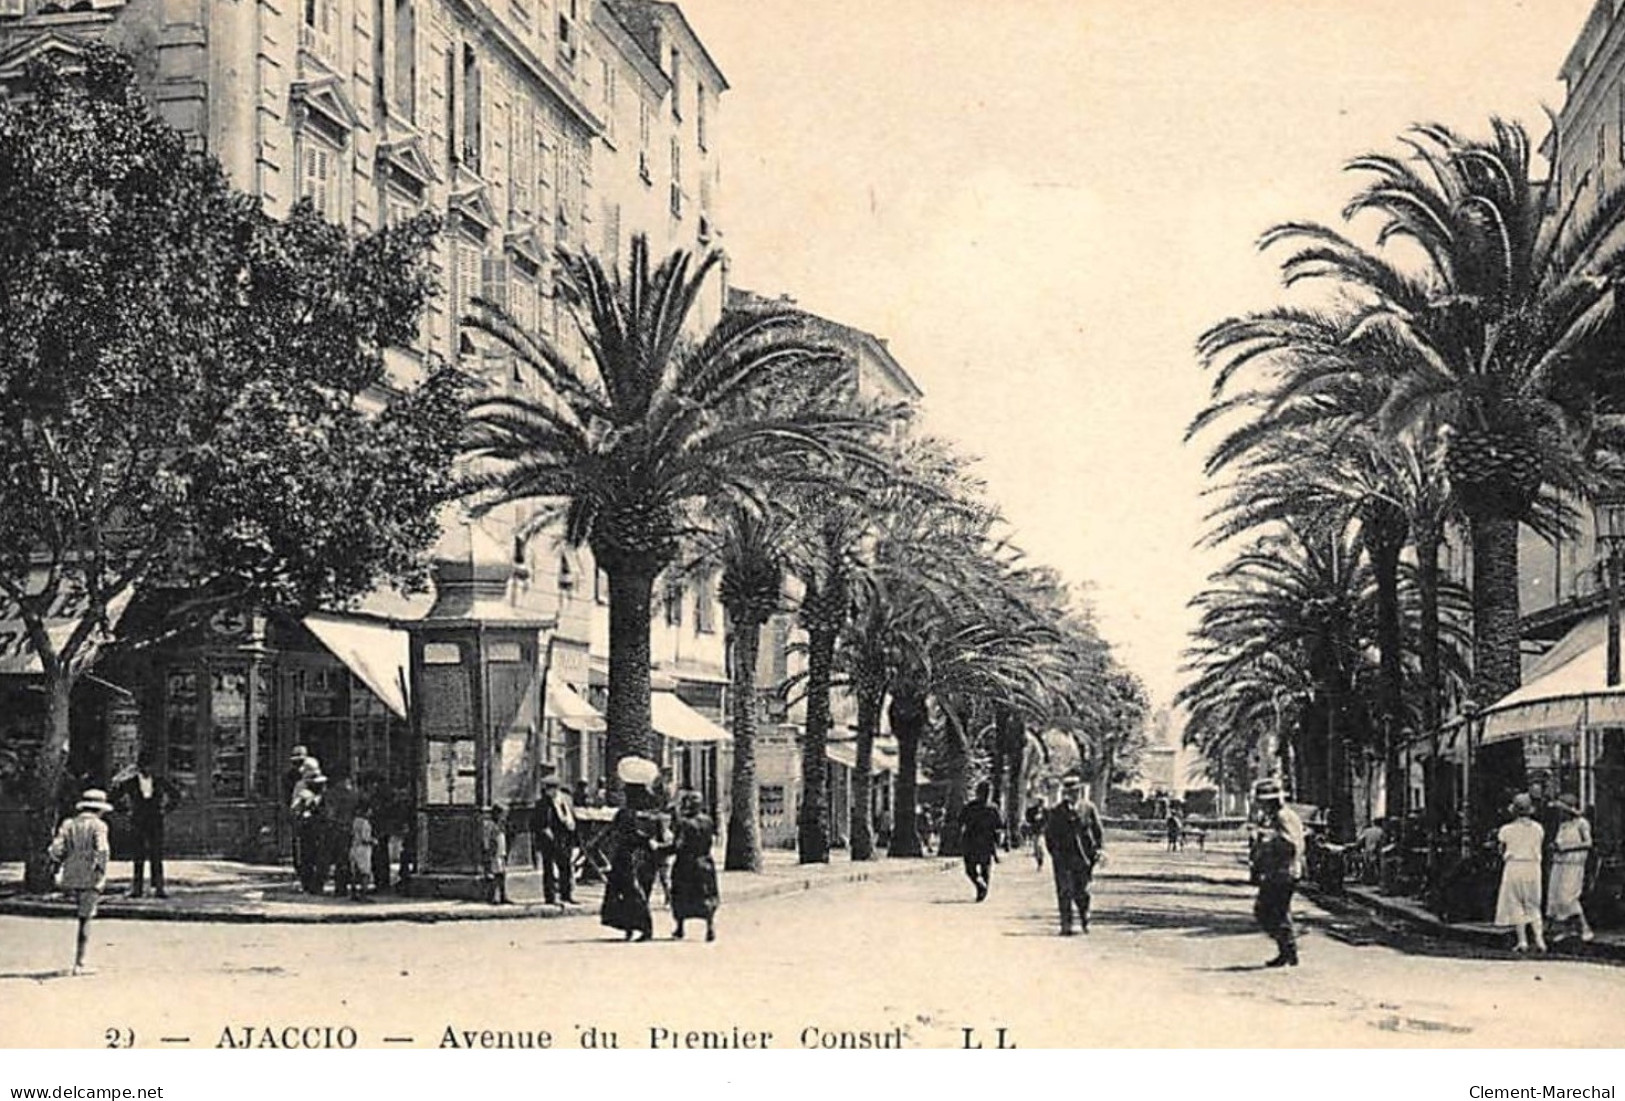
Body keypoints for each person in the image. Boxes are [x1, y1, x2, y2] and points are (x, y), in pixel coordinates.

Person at [600, 756, 665, 942]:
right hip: (640, 857)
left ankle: (644, 928)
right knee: (633, 891)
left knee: (633, 892)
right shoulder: (651, 814)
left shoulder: (629, 814)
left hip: (629, 857)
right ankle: (630, 926)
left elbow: (621, 832)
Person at [48, 788, 112, 976]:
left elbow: (55, 848)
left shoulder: (69, 824)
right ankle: (80, 962)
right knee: (86, 917)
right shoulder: (99, 825)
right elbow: (102, 850)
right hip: (89, 874)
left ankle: (78, 960)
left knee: (78, 913)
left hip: (71, 871)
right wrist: (101, 869)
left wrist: (59, 862)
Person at [1249, 778, 1305, 968]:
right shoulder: (1279, 817)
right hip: (1279, 871)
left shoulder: (1283, 817)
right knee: (1278, 911)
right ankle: (1287, 951)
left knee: (1266, 911)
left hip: (1282, 872)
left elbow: (1289, 844)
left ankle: (1289, 949)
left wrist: (1266, 842)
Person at [111, 752, 180, 899]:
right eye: (144, 767)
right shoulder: (130, 782)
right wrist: (125, 810)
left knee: (156, 854)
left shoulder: (159, 781)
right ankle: (137, 888)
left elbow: (175, 795)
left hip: (155, 820)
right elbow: (114, 797)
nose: (148, 770)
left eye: (150, 767)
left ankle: (159, 887)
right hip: (138, 820)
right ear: (139, 767)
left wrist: (166, 809)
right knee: (138, 854)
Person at [1043, 774, 1105, 935]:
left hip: (1084, 857)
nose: (1074, 795)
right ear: (1065, 793)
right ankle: (1066, 924)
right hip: (1063, 858)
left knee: (1081, 891)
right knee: (1064, 891)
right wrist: (1055, 853)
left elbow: (1098, 831)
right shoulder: (1056, 812)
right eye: (1070, 792)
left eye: (1076, 791)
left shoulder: (1088, 808)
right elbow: (1049, 835)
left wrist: (1099, 849)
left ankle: (1085, 916)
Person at [1496, 792, 1547, 952]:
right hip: (1532, 866)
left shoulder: (1506, 830)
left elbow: (1501, 848)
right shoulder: (1538, 828)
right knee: (1533, 903)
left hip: (1514, 866)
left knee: (1516, 903)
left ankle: (1522, 940)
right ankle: (1539, 939)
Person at [668, 789, 720, 941]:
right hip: (705, 862)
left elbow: (678, 845)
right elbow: (710, 840)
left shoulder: (684, 823)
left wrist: (660, 849)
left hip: (686, 864)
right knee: (706, 895)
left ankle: (680, 928)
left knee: (681, 894)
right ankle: (709, 927)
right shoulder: (707, 820)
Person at [1546, 796, 1595, 943]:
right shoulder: (1563, 826)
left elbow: (1588, 843)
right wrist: (1555, 847)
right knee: (1557, 898)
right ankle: (1568, 929)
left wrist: (1566, 848)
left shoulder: (1582, 823)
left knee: (1568, 897)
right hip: (1560, 864)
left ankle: (1585, 928)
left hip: (1574, 865)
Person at [531, 766, 579, 905]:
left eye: (551, 789)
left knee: (565, 866)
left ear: (556, 788)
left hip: (565, 837)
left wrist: (572, 828)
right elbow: (538, 822)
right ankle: (550, 897)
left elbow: (571, 815)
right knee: (549, 869)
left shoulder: (566, 799)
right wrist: (546, 832)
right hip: (550, 839)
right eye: (547, 789)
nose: (548, 792)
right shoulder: (542, 803)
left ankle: (566, 894)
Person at [957, 781, 1003, 901]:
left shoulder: (991, 808)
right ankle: (981, 886)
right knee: (973, 869)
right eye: (985, 792)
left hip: (978, 841)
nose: (986, 795)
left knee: (981, 869)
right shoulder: (973, 807)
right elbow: (960, 822)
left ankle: (981, 890)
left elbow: (999, 827)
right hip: (977, 841)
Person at [289, 759, 327, 894]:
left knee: (313, 857)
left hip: (316, 827)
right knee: (308, 857)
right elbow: (295, 808)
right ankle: (310, 884)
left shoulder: (320, 791)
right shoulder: (303, 789)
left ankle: (313, 884)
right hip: (308, 828)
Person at [481, 805, 510, 904]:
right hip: (495, 853)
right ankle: (493, 896)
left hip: (501, 852)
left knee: (502, 874)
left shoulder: (500, 825)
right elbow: (487, 839)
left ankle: (503, 896)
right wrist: (488, 851)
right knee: (495, 875)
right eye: (503, 814)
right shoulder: (490, 825)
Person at [348, 799, 375, 900]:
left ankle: (353, 893)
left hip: (354, 847)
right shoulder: (365, 823)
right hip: (363, 849)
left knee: (355, 871)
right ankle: (364, 894)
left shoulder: (355, 821)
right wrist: (373, 841)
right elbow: (365, 838)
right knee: (365, 873)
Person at [1025, 802, 1046, 869]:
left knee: (1039, 846)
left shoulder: (1046, 811)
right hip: (1035, 831)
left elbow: (1048, 821)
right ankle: (1039, 859)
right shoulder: (1032, 810)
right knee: (1036, 847)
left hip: (1042, 832)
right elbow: (1028, 818)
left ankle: (1040, 859)